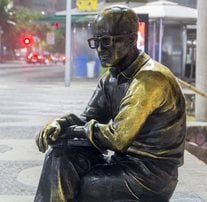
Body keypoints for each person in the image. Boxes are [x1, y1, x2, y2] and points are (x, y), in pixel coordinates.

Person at [35, 5, 186, 202]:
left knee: (90, 184)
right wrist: (61, 123)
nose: (99, 49)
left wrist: (72, 131)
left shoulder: (150, 79)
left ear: (131, 39)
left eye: (106, 41)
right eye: (96, 41)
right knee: (59, 158)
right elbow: (90, 118)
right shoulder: (111, 78)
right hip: (122, 161)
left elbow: (118, 138)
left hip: (151, 174)